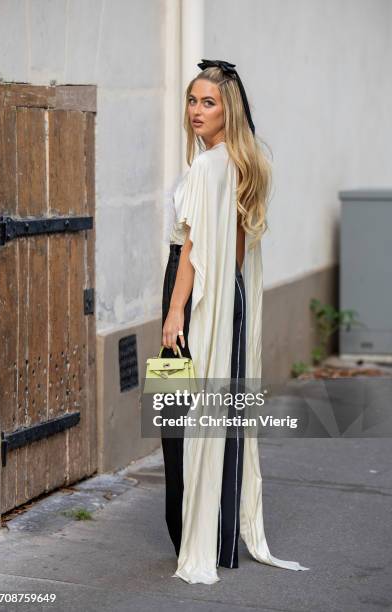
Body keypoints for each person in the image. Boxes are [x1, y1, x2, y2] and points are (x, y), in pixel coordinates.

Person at [161, 59, 310, 585]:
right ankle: (221, 538)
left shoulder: (208, 168)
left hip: (193, 295)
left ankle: (190, 535)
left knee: (179, 416)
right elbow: (237, 251)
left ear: (230, 111)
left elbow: (193, 251)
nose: (196, 110)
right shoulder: (244, 163)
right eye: (192, 100)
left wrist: (176, 310)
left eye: (209, 102)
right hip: (232, 297)